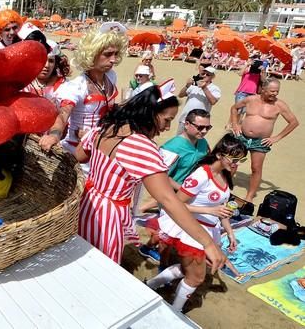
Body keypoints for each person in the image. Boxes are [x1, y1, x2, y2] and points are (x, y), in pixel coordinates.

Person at [73, 84, 227, 270]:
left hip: (86, 203)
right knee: (102, 267)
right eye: (167, 119)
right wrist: (207, 242)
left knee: (79, 256)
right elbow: (167, 199)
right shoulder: (140, 146)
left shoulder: (107, 127)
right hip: (108, 214)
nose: (168, 127)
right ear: (150, 113)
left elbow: (79, 156)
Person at [147, 134, 245, 312]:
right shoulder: (201, 175)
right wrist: (210, 211)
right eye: (234, 158)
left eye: (241, 159)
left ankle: (151, 285)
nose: (237, 163)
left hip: (209, 230)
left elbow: (221, 208)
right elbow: (176, 203)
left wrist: (230, 232)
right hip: (191, 232)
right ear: (219, 155)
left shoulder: (226, 175)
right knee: (196, 278)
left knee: (189, 270)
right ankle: (175, 311)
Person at [39, 22, 127, 158]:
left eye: (116, 54)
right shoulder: (77, 86)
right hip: (77, 151)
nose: (113, 60)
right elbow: (63, 115)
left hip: (100, 147)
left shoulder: (111, 76)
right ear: (92, 53)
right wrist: (54, 136)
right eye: (108, 54)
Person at [137, 109, 212, 261]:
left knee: (175, 225)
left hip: (187, 193)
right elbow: (161, 176)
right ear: (187, 124)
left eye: (207, 128)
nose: (204, 131)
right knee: (169, 226)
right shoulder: (172, 147)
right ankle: (148, 248)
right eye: (200, 127)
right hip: (170, 194)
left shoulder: (203, 143)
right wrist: (183, 189)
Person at [230, 79, 299, 204]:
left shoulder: (279, 105)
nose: (275, 94)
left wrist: (276, 138)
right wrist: (235, 124)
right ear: (263, 89)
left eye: (277, 91)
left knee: (256, 168)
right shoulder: (251, 99)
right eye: (272, 91)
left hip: (260, 142)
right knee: (232, 162)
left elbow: (294, 122)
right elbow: (234, 108)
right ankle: (226, 185)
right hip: (242, 136)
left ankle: (250, 196)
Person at [176, 66, 220, 135]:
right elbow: (180, 95)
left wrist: (204, 88)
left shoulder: (214, 88)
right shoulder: (194, 85)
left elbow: (213, 101)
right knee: (179, 140)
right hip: (185, 119)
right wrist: (187, 86)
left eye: (208, 74)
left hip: (199, 123)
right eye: (203, 73)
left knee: (194, 142)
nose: (205, 75)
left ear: (213, 77)